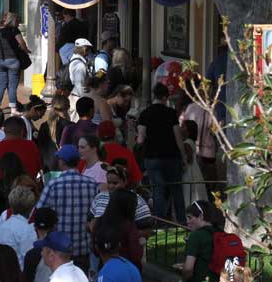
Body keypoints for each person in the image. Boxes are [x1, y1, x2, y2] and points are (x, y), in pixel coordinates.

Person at [35, 145, 100, 272]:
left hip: (60, 250)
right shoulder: (92, 184)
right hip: (84, 249)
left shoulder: (53, 185)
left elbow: (39, 212)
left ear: (62, 162)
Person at [159, 200, 220, 282]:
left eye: (190, 217)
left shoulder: (196, 236)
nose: (187, 222)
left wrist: (182, 280)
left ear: (201, 217)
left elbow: (188, 269)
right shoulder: (220, 233)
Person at [137, 82, 186, 222]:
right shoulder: (171, 113)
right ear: (165, 97)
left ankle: (160, 222)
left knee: (158, 190)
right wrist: (183, 156)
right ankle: (182, 221)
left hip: (152, 157)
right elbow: (178, 137)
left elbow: (140, 139)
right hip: (172, 156)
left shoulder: (145, 114)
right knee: (176, 190)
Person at [88, 165, 153, 230]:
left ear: (125, 182)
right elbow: (89, 221)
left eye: (115, 183)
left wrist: (124, 236)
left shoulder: (136, 200)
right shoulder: (100, 197)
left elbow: (146, 230)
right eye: (109, 182)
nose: (111, 186)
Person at [93, 189, 145, 270]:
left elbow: (95, 249)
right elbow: (136, 255)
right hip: (126, 269)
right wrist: (141, 242)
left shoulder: (99, 222)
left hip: (105, 268)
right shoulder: (128, 226)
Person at [0, 12, 30, 115]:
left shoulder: (0, 31)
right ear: (13, 20)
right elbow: (21, 43)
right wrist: (26, 50)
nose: (18, 22)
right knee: (12, 86)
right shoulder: (14, 30)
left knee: (1, 84)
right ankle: (13, 109)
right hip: (12, 60)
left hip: (1, 61)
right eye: (17, 20)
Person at [0, 116, 41, 182]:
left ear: (4, 130)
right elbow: (38, 168)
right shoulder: (31, 146)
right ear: (22, 131)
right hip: (26, 189)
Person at [0, 186, 37, 269]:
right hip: (18, 274)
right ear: (31, 207)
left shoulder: (3, 226)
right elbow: (29, 257)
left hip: (1, 271)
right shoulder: (27, 229)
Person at [37, 95, 70, 171]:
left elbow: (40, 149)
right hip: (65, 168)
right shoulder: (70, 126)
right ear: (68, 107)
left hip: (48, 169)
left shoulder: (43, 126)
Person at [180, 119, 207, 205]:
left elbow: (189, 158)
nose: (181, 128)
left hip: (189, 170)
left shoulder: (186, 143)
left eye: (183, 126)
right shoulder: (191, 142)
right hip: (194, 169)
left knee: (189, 189)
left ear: (188, 130)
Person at [66, 39, 94, 111]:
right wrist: (85, 103)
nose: (89, 52)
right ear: (84, 49)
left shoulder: (75, 61)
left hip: (76, 98)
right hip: (78, 100)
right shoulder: (79, 65)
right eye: (88, 49)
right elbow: (79, 86)